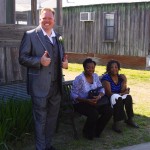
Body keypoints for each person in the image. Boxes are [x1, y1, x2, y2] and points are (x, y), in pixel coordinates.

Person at [19, 7, 68, 150]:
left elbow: (61, 56)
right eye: (44, 18)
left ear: (54, 20)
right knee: (40, 119)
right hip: (39, 86)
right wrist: (38, 61)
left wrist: (64, 63)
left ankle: (47, 145)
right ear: (39, 19)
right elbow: (22, 58)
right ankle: (40, 148)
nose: (47, 21)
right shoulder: (30, 35)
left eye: (50, 18)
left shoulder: (58, 37)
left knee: (52, 118)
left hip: (56, 86)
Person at [70, 58, 112, 140]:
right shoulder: (79, 78)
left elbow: (101, 89)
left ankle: (96, 130)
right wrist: (87, 101)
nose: (91, 69)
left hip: (94, 101)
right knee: (94, 113)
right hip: (80, 103)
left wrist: (99, 96)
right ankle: (87, 132)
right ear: (84, 68)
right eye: (88, 67)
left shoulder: (95, 76)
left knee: (109, 110)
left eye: (93, 67)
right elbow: (73, 95)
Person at [101, 60, 139, 133]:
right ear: (109, 69)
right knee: (117, 97)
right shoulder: (106, 78)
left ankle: (129, 119)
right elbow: (108, 93)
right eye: (112, 67)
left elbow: (123, 90)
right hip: (109, 97)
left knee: (128, 97)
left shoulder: (120, 77)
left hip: (118, 96)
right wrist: (122, 94)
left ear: (118, 68)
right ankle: (116, 123)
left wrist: (125, 81)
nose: (114, 69)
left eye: (116, 67)